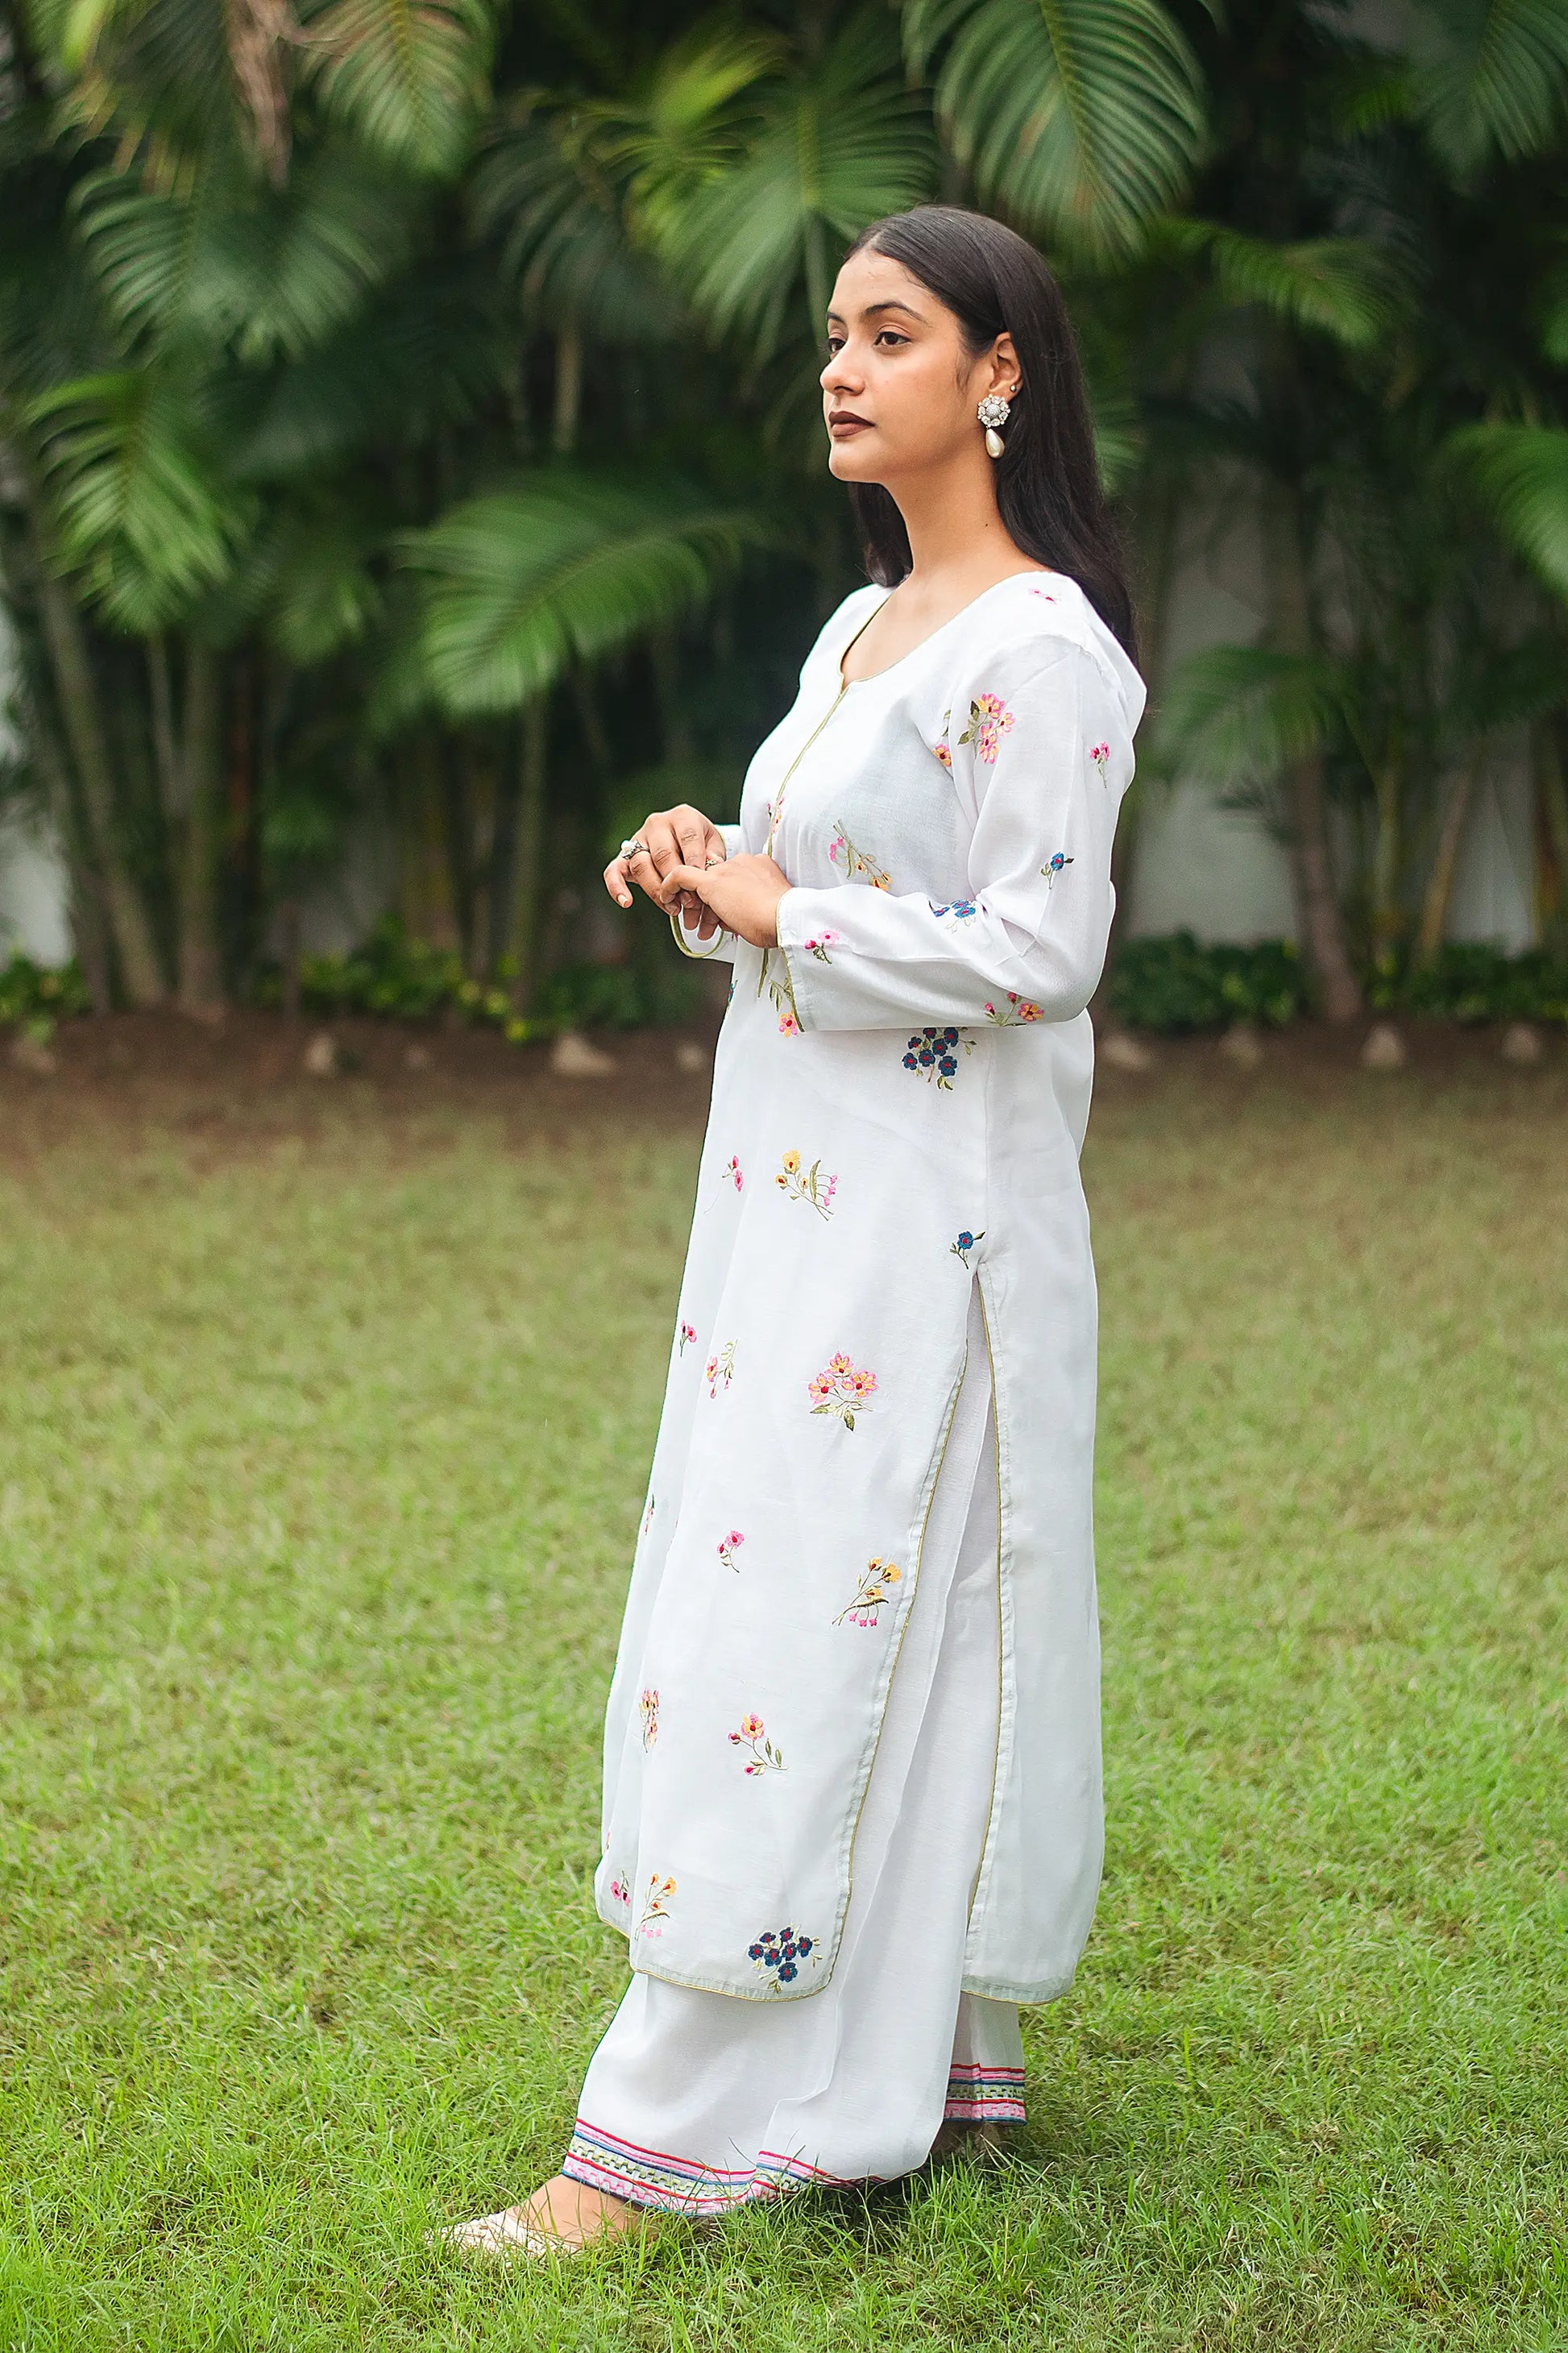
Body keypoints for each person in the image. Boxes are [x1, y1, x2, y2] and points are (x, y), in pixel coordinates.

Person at [446, 202, 1146, 2258]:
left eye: (890, 332)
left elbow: (1043, 943)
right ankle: (911, 2067)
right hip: (790, 1202)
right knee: (811, 1602)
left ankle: (648, 2137)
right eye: (832, 331)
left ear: (996, 374)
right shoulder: (861, 636)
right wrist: (711, 867)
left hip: (930, 1237)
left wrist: (784, 909)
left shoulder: (1046, 649)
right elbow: (826, 888)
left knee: (823, 1621)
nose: (840, 366)